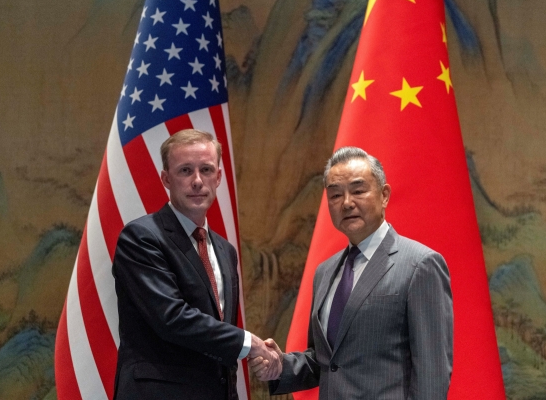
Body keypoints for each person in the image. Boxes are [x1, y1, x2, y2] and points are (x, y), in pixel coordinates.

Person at [252, 146, 453, 399]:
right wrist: (281, 366)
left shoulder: (420, 265)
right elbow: (328, 361)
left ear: (384, 195)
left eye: (358, 191)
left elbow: (432, 375)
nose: (347, 203)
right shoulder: (324, 272)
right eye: (335, 195)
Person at [112, 129, 280, 399]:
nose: (198, 181)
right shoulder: (141, 238)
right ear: (166, 179)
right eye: (185, 171)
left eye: (206, 169)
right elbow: (172, 318)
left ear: (219, 177)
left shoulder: (226, 251)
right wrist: (250, 343)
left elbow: (219, 337)